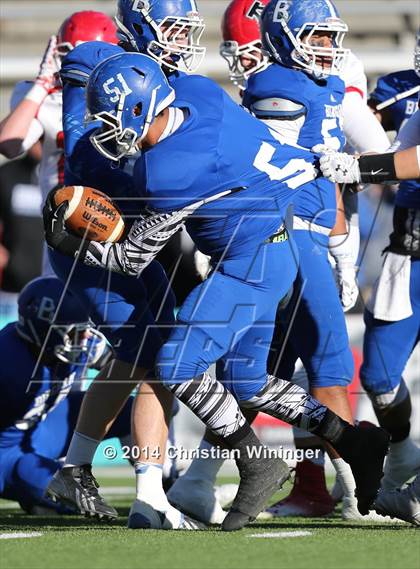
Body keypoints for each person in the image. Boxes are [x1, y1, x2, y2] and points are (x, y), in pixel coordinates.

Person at [43, 51, 390, 532]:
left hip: (249, 264)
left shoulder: (164, 171)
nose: (105, 131)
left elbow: (132, 259)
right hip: (274, 246)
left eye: (110, 119)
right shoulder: (199, 92)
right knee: (247, 383)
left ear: (140, 109)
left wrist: (71, 243)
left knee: (175, 365)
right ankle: (355, 443)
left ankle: (257, 463)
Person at [44, 0, 210, 531]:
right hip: (93, 232)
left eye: (186, 30)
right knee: (155, 353)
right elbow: (84, 154)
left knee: (141, 353)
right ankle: (149, 495)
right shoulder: (98, 62)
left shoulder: (173, 81)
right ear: (140, 24)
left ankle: (76, 469)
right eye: (172, 29)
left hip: (139, 237)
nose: (181, 41)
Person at [0, 276, 133, 516]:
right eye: (74, 332)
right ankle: (32, 492)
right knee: (76, 498)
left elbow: (128, 367)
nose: (85, 338)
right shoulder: (8, 363)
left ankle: (164, 482)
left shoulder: (79, 344)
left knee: (129, 409)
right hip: (7, 455)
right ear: (45, 331)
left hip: (44, 429)